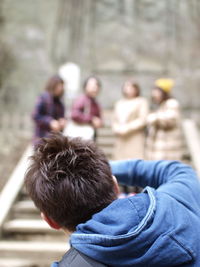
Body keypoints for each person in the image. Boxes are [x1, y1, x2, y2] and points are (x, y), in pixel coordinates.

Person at [25, 134, 200, 266]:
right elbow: (177, 169)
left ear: (50, 221)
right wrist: (102, 171)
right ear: (115, 185)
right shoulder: (180, 197)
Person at [112, 80, 148, 195]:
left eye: (131, 86)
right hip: (121, 140)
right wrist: (117, 128)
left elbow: (143, 119)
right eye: (126, 86)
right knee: (121, 165)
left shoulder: (141, 101)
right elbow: (114, 120)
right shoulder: (119, 103)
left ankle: (137, 191)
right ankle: (124, 191)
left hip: (134, 138)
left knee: (135, 164)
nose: (128, 88)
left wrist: (127, 128)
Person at [146, 78, 184, 160]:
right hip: (160, 148)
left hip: (167, 148)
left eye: (157, 91)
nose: (154, 94)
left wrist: (154, 118)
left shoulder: (172, 103)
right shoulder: (162, 105)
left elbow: (170, 119)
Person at [32, 75, 66, 147]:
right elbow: (35, 115)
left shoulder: (60, 102)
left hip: (55, 140)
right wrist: (50, 122)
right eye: (58, 86)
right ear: (52, 85)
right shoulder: (43, 98)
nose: (60, 88)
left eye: (61, 86)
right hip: (41, 139)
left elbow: (61, 117)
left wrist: (62, 121)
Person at [70, 76, 103, 141]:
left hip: (90, 135)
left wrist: (99, 122)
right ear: (85, 87)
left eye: (96, 85)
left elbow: (99, 119)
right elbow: (74, 114)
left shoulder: (96, 103)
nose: (94, 88)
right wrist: (91, 119)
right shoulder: (82, 99)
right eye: (91, 85)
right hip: (80, 136)